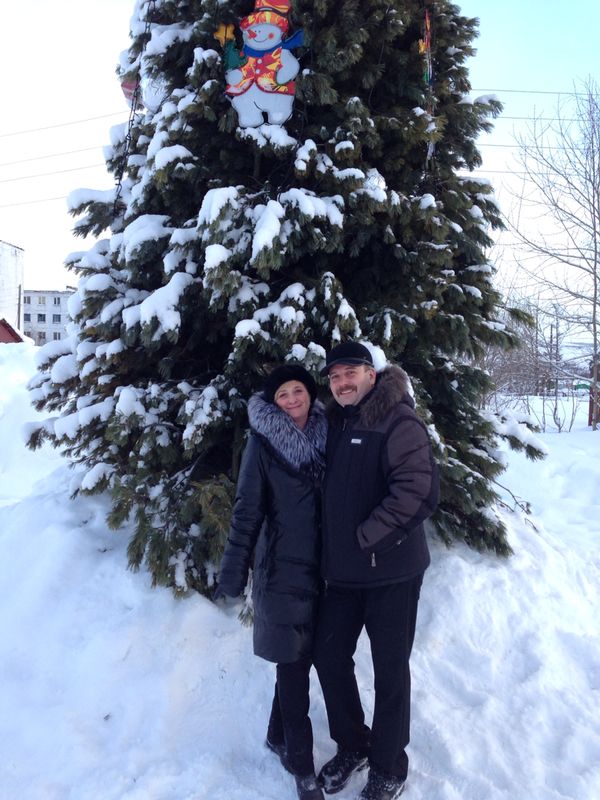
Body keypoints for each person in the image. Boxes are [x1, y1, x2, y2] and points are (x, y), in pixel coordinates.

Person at [313, 341, 439, 800]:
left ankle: (389, 767)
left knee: (390, 671)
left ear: (371, 373)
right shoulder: (334, 423)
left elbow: (418, 491)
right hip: (343, 576)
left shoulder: (398, 420)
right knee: (328, 656)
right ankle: (354, 744)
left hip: (392, 573)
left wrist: (367, 537)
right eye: (334, 377)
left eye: (350, 373)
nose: (342, 383)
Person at [216, 364, 327, 800]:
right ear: (273, 403)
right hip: (281, 571)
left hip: (324, 570)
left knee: (306, 656)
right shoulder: (261, 445)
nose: (292, 399)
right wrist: (234, 570)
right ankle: (302, 766)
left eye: (298, 390)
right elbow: (247, 510)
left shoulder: (328, 434)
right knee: (292, 666)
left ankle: (276, 734)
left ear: (310, 394)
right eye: (283, 394)